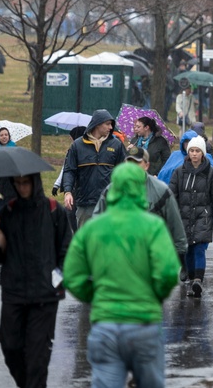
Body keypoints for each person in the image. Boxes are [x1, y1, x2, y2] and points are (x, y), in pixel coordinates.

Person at [64, 162, 180, 388]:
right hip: (144, 324)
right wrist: (153, 296)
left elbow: (72, 275)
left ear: (113, 188)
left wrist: (95, 296)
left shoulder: (92, 228)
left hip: (105, 324)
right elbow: (167, 273)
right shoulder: (153, 226)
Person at [0, 174, 72, 388]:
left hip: (44, 296)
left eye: (26, 183)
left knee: (37, 354)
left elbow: (66, 250)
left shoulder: (54, 210)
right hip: (14, 292)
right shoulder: (8, 212)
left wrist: (56, 280)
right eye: (18, 183)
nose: (22, 188)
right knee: (9, 344)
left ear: (35, 183)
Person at [93, 146, 188, 260]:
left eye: (137, 163)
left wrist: (180, 253)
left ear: (146, 165)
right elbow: (98, 220)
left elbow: (174, 223)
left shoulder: (161, 191)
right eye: (129, 162)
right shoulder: (111, 190)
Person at [169, 136, 213, 297]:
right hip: (183, 217)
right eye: (192, 151)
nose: (194, 154)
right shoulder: (179, 172)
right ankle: (193, 278)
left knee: (199, 248)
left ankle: (198, 280)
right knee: (187, 250)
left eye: (197, 151)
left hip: (203, 216)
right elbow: (171, 194)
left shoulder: (210, 173)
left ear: (203, 153)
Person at [61, 109, 127, 228]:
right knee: (86, 241)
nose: (110, 127)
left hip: (110, 203)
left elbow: (125, 171)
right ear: (97, 124)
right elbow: (69, 170)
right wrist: (67, 192)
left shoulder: (116, 145)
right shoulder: (77, 145)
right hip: (85, 203)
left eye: (111, 124)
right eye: (107, 124)